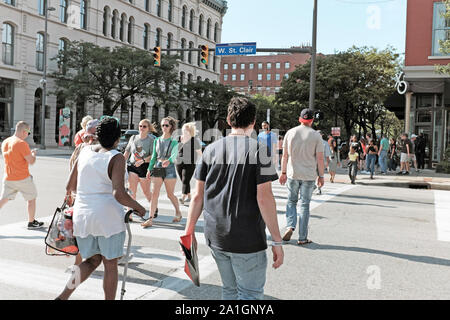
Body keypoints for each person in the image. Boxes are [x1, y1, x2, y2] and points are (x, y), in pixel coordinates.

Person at [184, 96, 283, 300]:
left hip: (216, 236)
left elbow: (197, 196)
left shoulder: (210, 150)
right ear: (254, 122)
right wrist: (277, 240)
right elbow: (264, 199)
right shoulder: (259, 151)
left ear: (228, 120)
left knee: (229, 291)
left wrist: (188, 232)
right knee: (250, 295)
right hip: (248, 238)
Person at [56, 117, 146, 300]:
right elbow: (118, 193)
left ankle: (63, 296)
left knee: (91, 261)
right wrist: (139, 208)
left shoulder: (84, 151)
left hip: (83, 216)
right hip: (107, 218)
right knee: (110, 264)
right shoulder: (116, 157)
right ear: (117, 138)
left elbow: (70, 185)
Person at [279, 108, 325, 245]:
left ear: (300, 119)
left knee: (291, 201)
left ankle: (290, 226)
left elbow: (285, 156)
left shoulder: (290, 133)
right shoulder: (316, 136)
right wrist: (321, 176)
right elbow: (320, 158)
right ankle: (302, 237)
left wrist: (283, 173)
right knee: (305, 205)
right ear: (312, 120)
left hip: (293, 173)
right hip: (309, 175)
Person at [0, 121, 42, 229]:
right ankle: (31, 222)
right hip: (22, 178)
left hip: (8, 177)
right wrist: (33, 154)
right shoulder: (22, 143)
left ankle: (32, 222)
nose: (28, 134)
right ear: (24, 131)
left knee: (3, 200)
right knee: (31, 198)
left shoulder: (5, 142)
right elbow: (31, 161)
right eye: (28, 132)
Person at [142, 117, 181, 228]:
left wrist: (168, 161)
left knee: (170, 194)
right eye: (162, 125)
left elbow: (174, 155)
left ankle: (178, 212)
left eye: (166, 125)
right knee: (155, 193)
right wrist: (149, 169)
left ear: (171, 127)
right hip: (158, 167)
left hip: (169, 168)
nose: (164, 127)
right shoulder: (157, 140)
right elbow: (154, 156)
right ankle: (150, 218)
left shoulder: (174, 142)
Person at [123, 119, 157, 220]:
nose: (141, 128)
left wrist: (142, 160)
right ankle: (129, 213)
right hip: (132, 166)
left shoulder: (151, 140)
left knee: (146, 191)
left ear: (148, 128)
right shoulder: (133, 138)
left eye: (144, 126)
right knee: (131, 191)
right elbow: (127, 152)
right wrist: (121, 163)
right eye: (140, 126)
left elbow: (153, 156)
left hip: (144, 167)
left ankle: (153, 207)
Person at [176, 122, 203, 205]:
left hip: (190, 164)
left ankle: (182, 197)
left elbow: (199, 152)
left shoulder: (194, 140)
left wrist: (204, 161)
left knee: (185, 179)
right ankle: (189, 195)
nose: (184, 132)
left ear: (190, 132)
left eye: (187, 131)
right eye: (184, 130)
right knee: (184, 180)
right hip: (179, 163)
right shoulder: (179, 138)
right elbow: (174, 150)